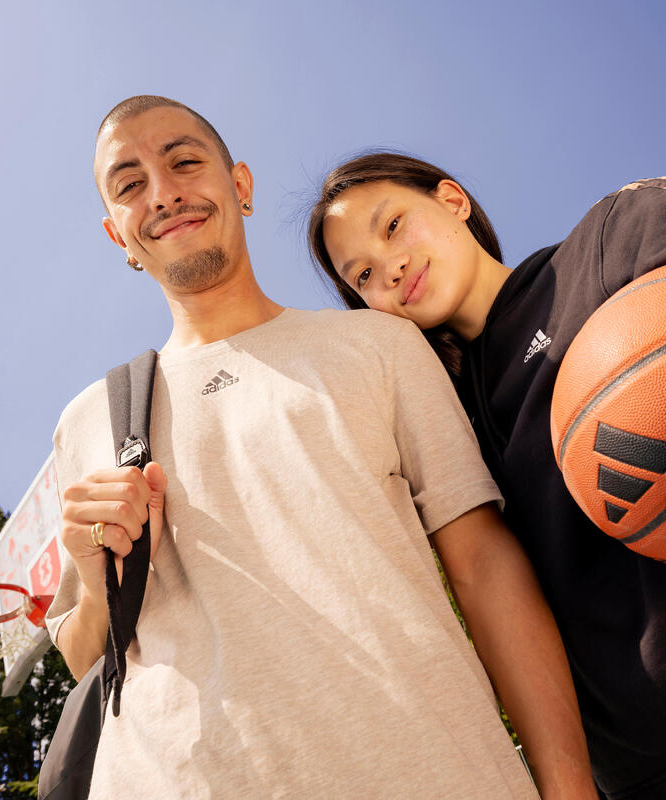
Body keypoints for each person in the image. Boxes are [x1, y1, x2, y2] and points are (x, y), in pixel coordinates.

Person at [45, 95, 598, 800]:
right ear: (116, 233)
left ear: (240, 186)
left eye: (185, 161)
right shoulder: (88, 420)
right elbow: (83, 652)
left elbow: (485, 567)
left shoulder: (382, 344)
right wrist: (97, 579)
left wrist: (567, 784)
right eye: (129, 184)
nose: (164, 192)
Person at [308, 150, 666, 799]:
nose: (387, 266)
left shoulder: (602, 243)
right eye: (361, 274)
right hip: (646, 779)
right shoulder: (439, 423)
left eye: (391, 226)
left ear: (452, 200)